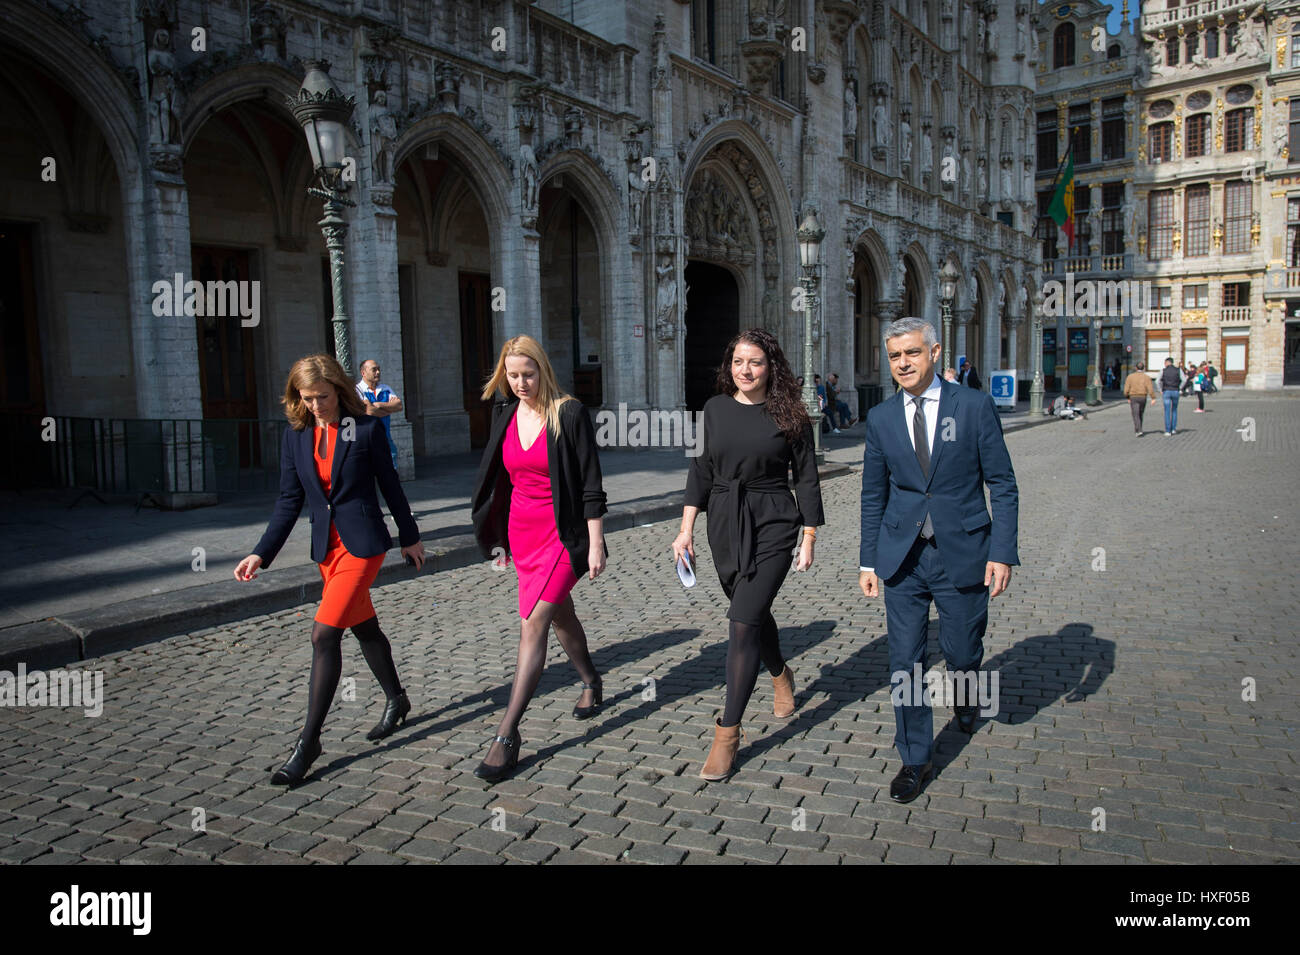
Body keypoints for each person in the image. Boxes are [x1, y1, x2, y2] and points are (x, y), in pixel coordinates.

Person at [235, 354, 425, 786]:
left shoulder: (365, 429)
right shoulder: (296, 436)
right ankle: (397, 699)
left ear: (339, 391)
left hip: (362, 546)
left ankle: (309, 743)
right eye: (307, 398)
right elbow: (289, 501)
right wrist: (261, 553)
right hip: (327, 549)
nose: (316, 405)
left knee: (324, 633)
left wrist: (409, 535)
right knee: (365, 629)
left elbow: (389, 485)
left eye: (323, 397)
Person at [859, 316, 1019, 804]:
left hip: (964, 552)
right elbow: (872, 495)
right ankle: (915, 756)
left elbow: (1003, 484)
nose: (902, 363)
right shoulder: (882, 418)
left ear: (934, 353)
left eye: (911, 353)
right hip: (903, 558)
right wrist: (869, 562)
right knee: (905, 660)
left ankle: (967, 692)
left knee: (962, 648)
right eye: (894, 356)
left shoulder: (973, 407)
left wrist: (1002, 553)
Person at [674, 328, 824, 781]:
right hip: (724, 519)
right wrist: (685, 531)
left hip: (774, 520)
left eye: (755, 362)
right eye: (738, 361)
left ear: (770, 366)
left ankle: (727, 733)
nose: (745, 370)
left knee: (741, 625)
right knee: (751, 613)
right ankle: (780, 673)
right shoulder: (714, 410)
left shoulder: (791, 413)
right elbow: (699, 471)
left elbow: (808, 477)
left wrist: (809, 535)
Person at [470, 335, 608, 782]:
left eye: (528, 374)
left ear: (543, 370)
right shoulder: (504, 414)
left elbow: (590, 482)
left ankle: (507, 734)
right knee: (559, 614)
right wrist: (497, 538)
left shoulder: (568, 413)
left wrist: (596, 541)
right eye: (512, 375)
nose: (521, 382)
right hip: (522, 534)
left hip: (563, 535)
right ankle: (590, 679)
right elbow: (501, 481)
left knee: (534, 623)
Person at [356, 360, 402, 470]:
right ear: (363, 373)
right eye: (374, 370)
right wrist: (389, 409)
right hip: (367, 441)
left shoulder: (386, 388)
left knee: (391, 475)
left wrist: (379, 404)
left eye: (378, 369)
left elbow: (399, 406)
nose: (378, 372)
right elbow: (370, 412)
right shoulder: (357, 390)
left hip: (386, 439)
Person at [1123, 361, 1159, 436]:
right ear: (1143, 368)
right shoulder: (1146, 377)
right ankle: (1139, 428)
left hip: (1133, 397)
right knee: (1140, 413)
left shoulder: (1130, 377)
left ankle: (1138, 430)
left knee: (1135, 414)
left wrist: (1127, 396)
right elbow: (1150, 388)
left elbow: (1126, 389)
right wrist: (1153, 397)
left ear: (1136, 368)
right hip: (1143, 397)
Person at [1159, 357, 1182, 435]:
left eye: (1165, 363)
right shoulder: (1178, 370)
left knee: (1167, 411)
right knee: (1174, 410)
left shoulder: (1163, 371)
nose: (1164, 364)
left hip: (1166, 391)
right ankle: (1173, 429)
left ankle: (1167, 430)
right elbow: (1184, 379)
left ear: (1167, 362)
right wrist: (1180, 388)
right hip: (1175, 390)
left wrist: (1160, 390)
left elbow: (1157, 381)